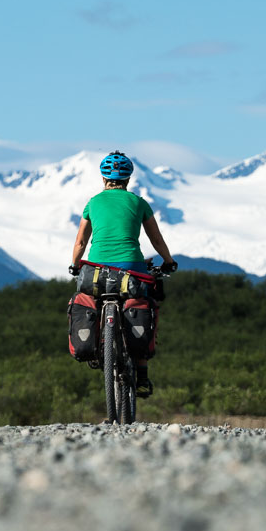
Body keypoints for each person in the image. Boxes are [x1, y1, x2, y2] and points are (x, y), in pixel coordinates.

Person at [69, 150, 177, 397]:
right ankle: (142, 375)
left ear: (103, 177)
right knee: (143, 303)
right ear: (128, 178)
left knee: (92, 301)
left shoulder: (92, 203)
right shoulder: (139, 203)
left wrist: (75, 266)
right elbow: (156, 240)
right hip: (132, 269)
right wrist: (168, 261)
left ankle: (97, 347)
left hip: (95, 270)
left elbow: (80, 242)